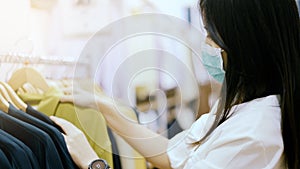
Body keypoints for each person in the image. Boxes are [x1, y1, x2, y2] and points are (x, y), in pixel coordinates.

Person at [51, 0, 300, 168]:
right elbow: (173, 153)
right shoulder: (245, 106)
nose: (207, 43)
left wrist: (93, 162)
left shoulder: (254, 133)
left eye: (211, 35)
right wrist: (103, 105)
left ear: (243, 46)